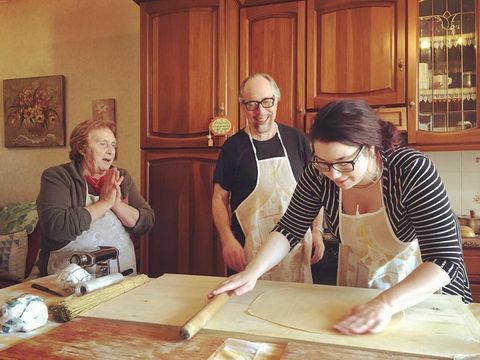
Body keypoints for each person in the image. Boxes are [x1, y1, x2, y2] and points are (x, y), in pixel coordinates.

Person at [210, 99, 472, 334]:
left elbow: (445, 260)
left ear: (370, 148)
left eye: (344, 162)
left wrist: (386, 303)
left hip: (423, 298)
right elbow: (289, 228)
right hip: (362, 296)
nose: (333, 174)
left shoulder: (411, 169)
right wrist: (253, 272)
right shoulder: (318, 174)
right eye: (323, 163)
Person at [212, 73, 324, 283]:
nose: (260, 111)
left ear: (276, 101)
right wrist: (227, 240)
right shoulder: (233, 148)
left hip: (298, 252)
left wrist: (317, 230)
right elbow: (219, 199)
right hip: (249, 255)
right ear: (243, 106)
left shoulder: (297, 139)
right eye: (252, 104)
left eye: (266, 102)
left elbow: (315, 190)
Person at [36, 119, 154, 276]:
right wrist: (104, 203)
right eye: (103, 144)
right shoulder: (58, 177)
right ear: (82, 148)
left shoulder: (121, 177)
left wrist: (116, 204)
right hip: (70, 282)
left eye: (113, 145)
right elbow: (57, 227)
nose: (111, 151)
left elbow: (146, 222)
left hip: (120, 279)